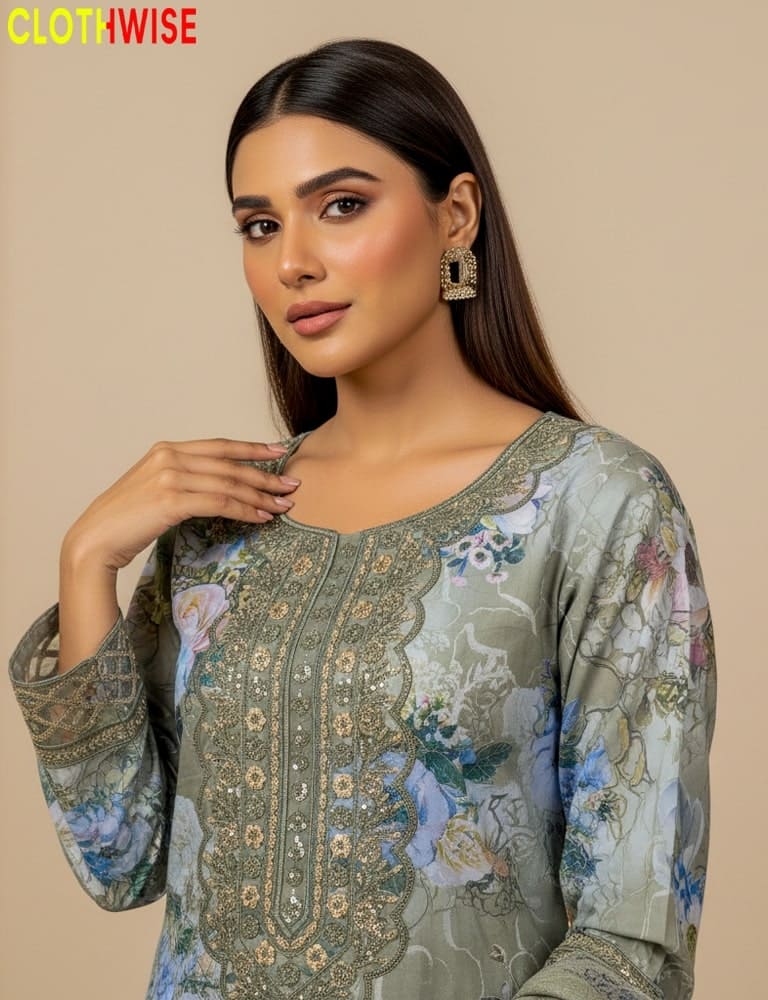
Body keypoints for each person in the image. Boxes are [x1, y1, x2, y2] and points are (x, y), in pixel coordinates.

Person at [8, 37, 716, 1000]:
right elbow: (120, 857)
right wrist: (86, 559)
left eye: (341, 206)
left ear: (455, 215)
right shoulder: (222, 523)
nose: (294, 262)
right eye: (258, 226)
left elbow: (633, 940)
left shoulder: (598, 505)